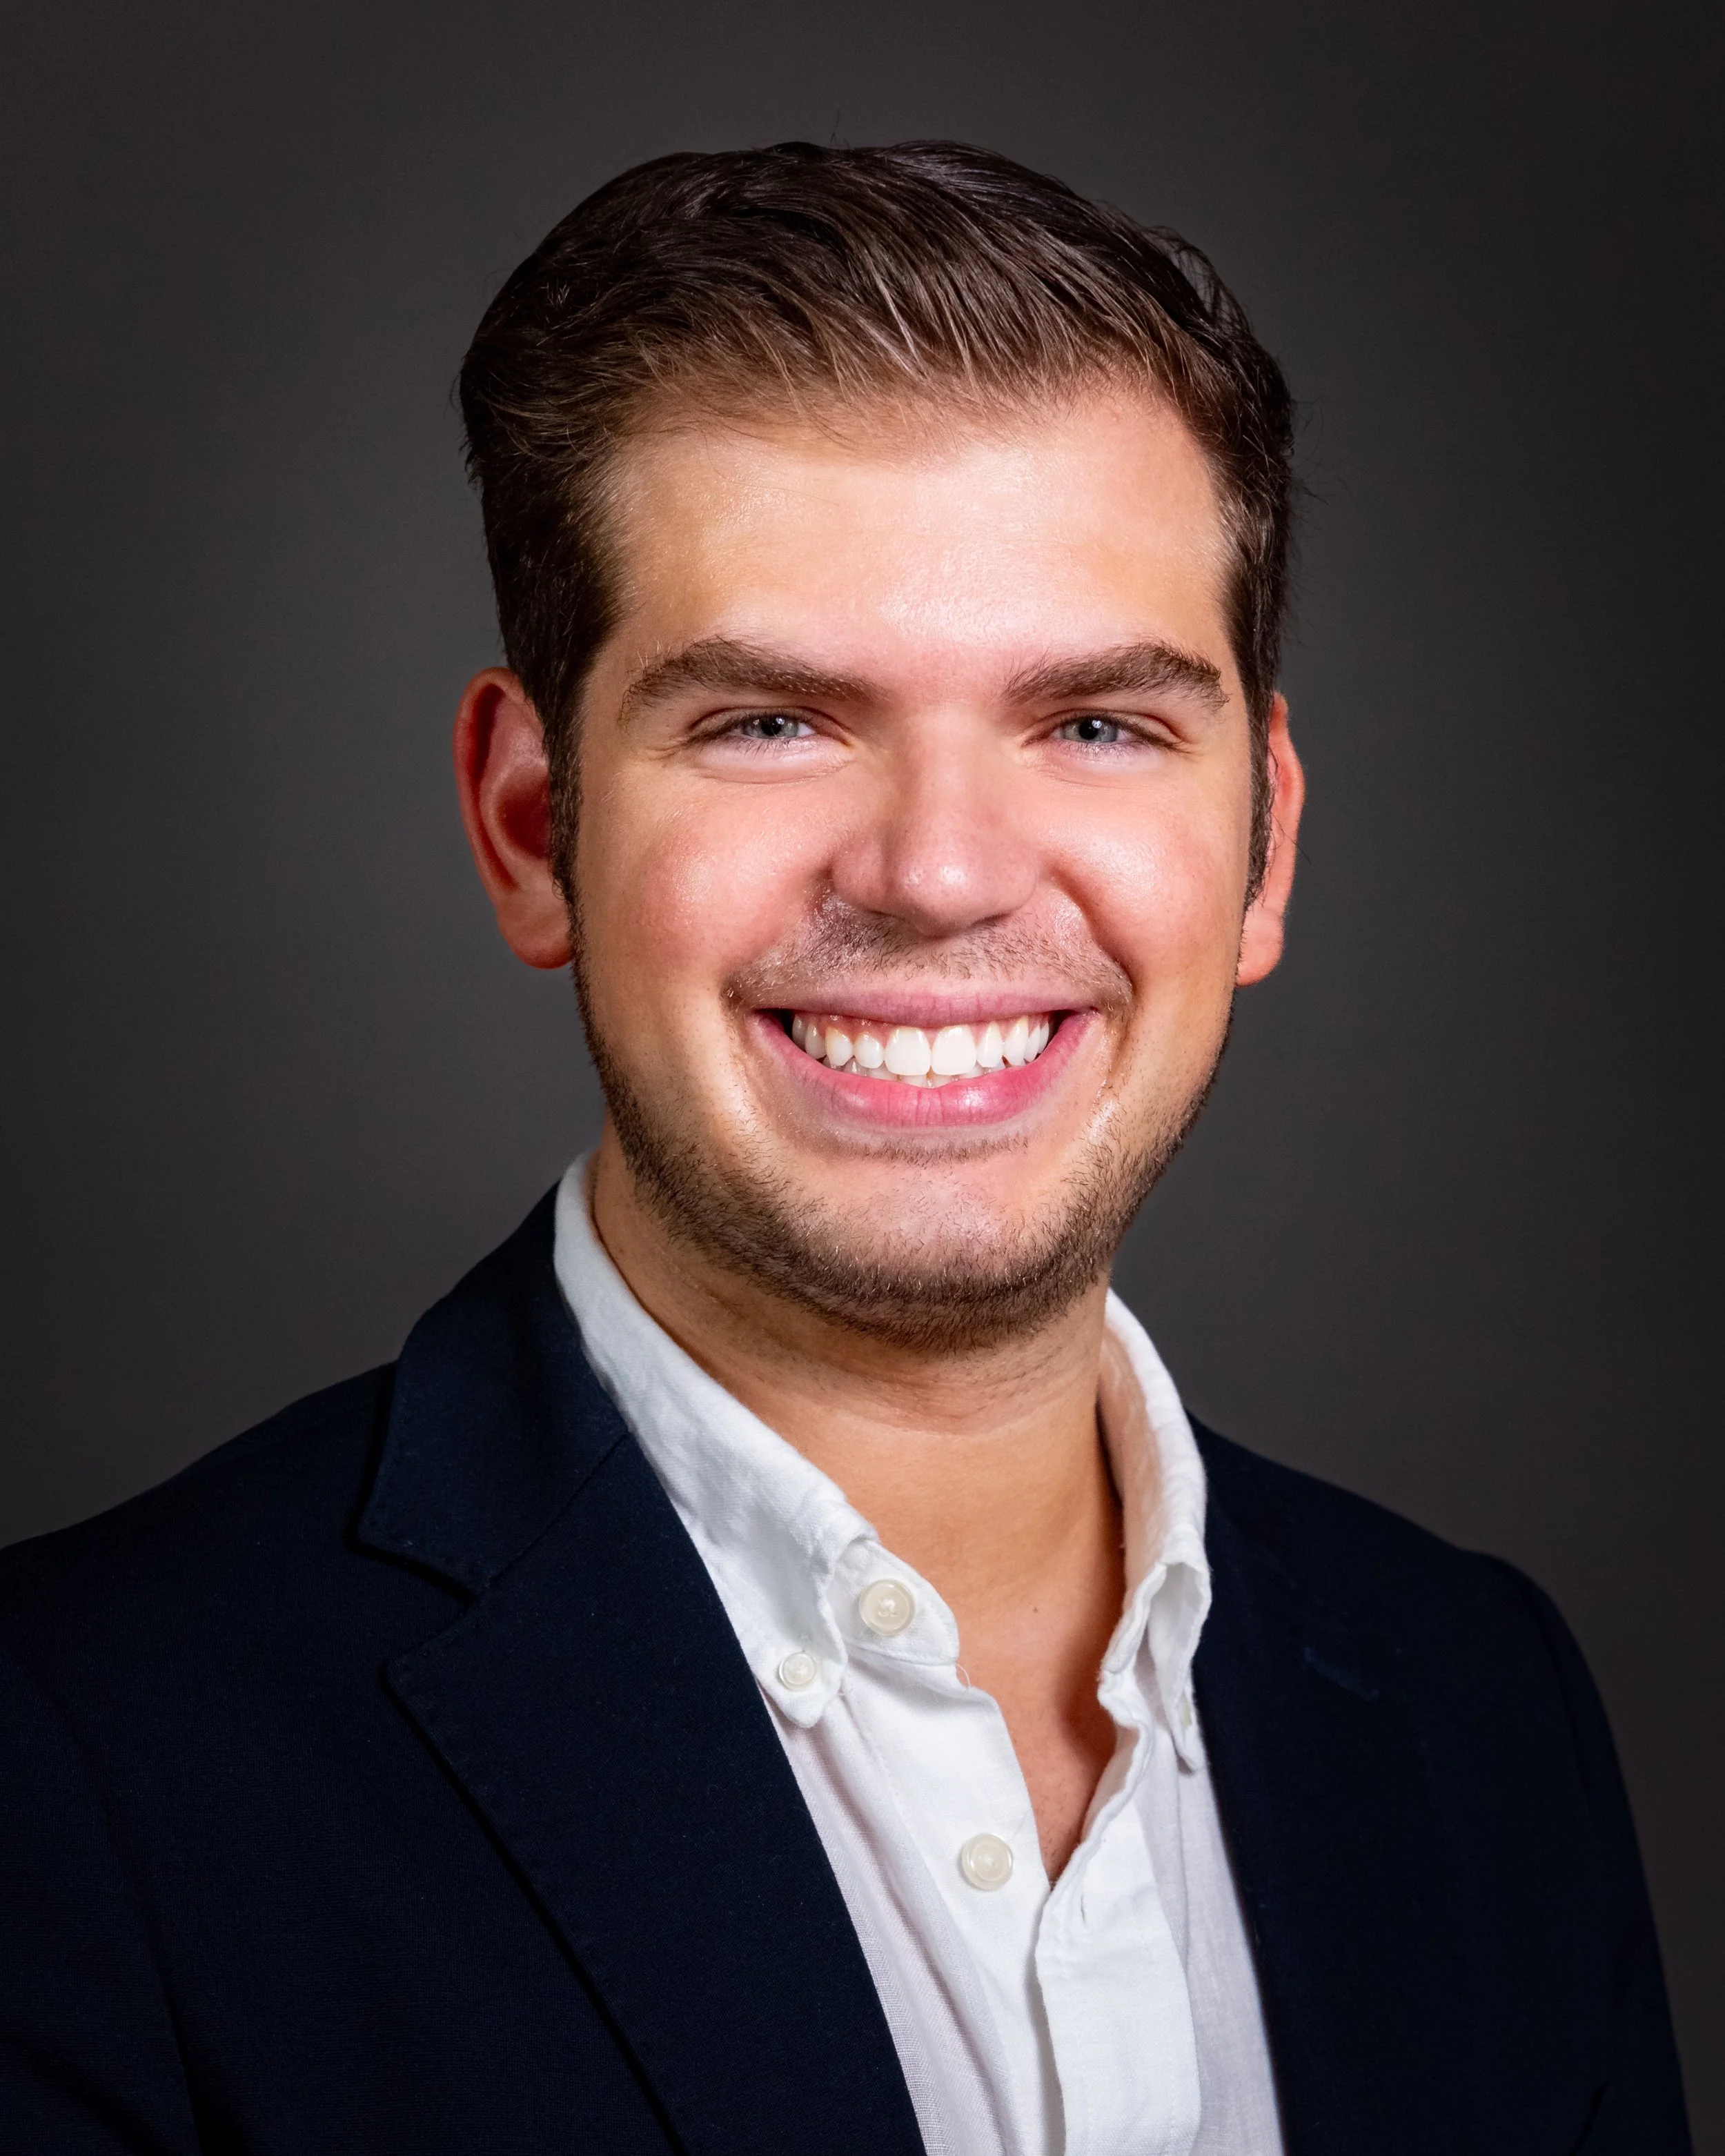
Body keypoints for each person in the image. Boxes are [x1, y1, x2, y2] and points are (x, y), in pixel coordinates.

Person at [0, 142, 1689, 2156]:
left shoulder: (1475, 1699)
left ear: (1264, 841)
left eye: (1095, 724)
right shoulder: (76, 1765)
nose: (939, 872)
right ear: (533, 826)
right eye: (771, 721)